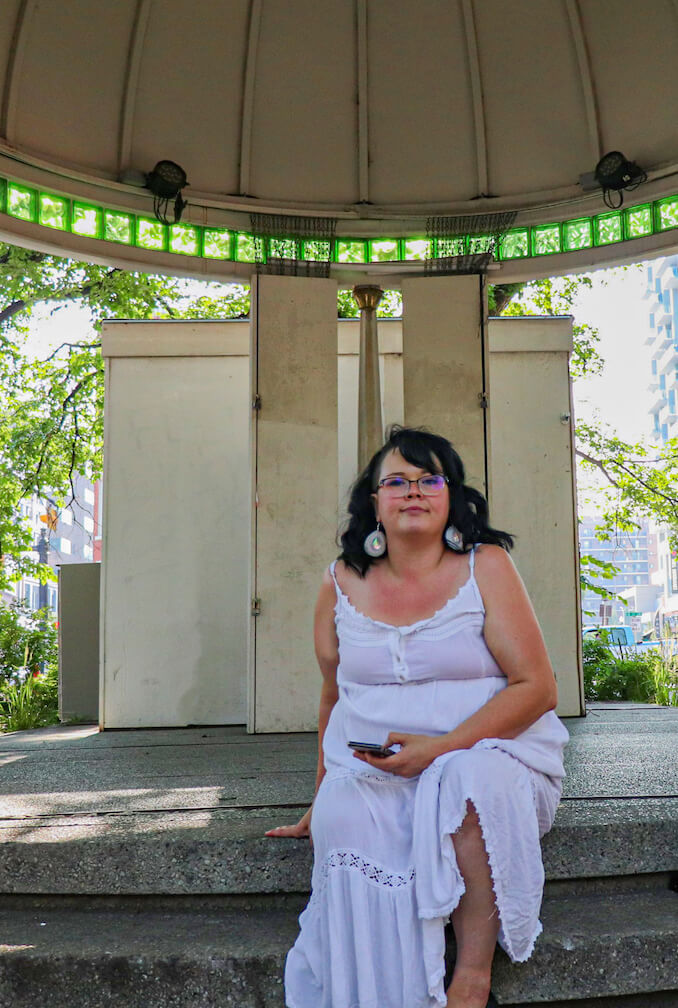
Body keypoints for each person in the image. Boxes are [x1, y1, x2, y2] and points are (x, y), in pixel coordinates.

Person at [266, 426, 569, 1008]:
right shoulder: (339, 582)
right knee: (344, 814)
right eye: (397, 481)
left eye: (430, 479)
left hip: (495, 754)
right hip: (377, 769)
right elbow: (335, 696)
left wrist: (439, 748)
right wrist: (320, 792)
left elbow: (538, 688)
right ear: (373, 502)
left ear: (451, 496)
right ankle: (381, 990)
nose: (414, 491)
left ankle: (472, 975)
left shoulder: (487, 565)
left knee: (464, 782)